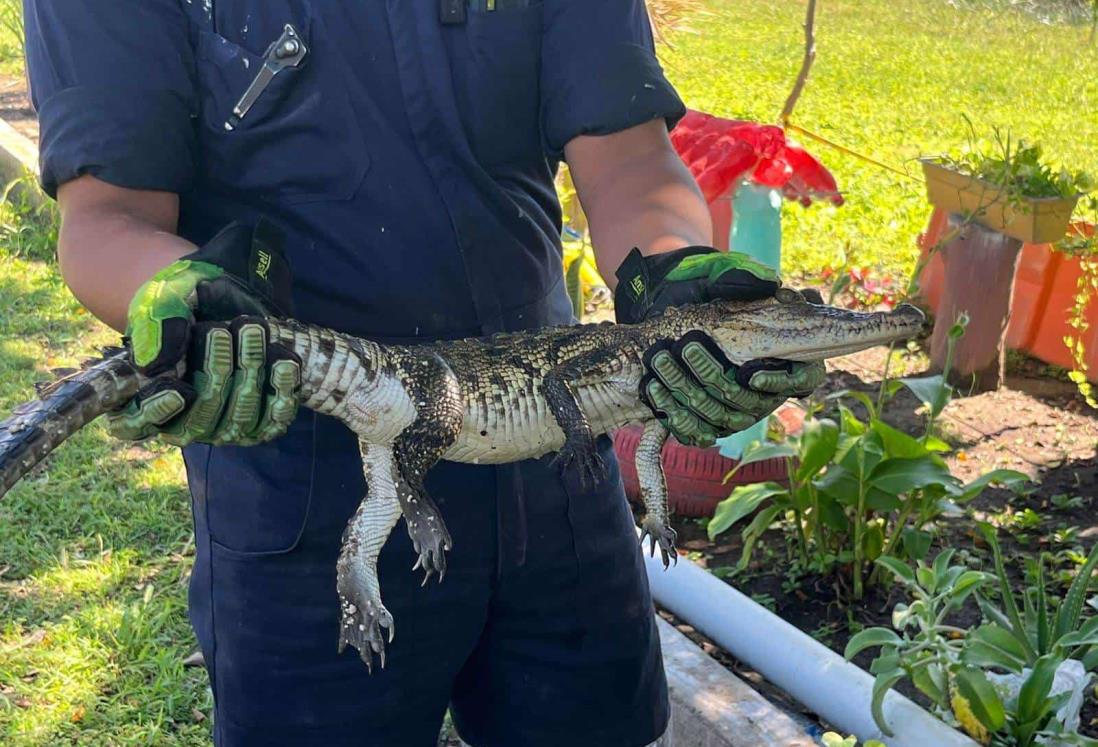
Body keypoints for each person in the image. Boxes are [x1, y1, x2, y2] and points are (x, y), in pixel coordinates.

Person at [24, 2, 824, 745]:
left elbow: (633, 165)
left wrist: (671, 270)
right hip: (305, 461)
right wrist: (189, 293)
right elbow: (106, 217)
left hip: (555, 448)